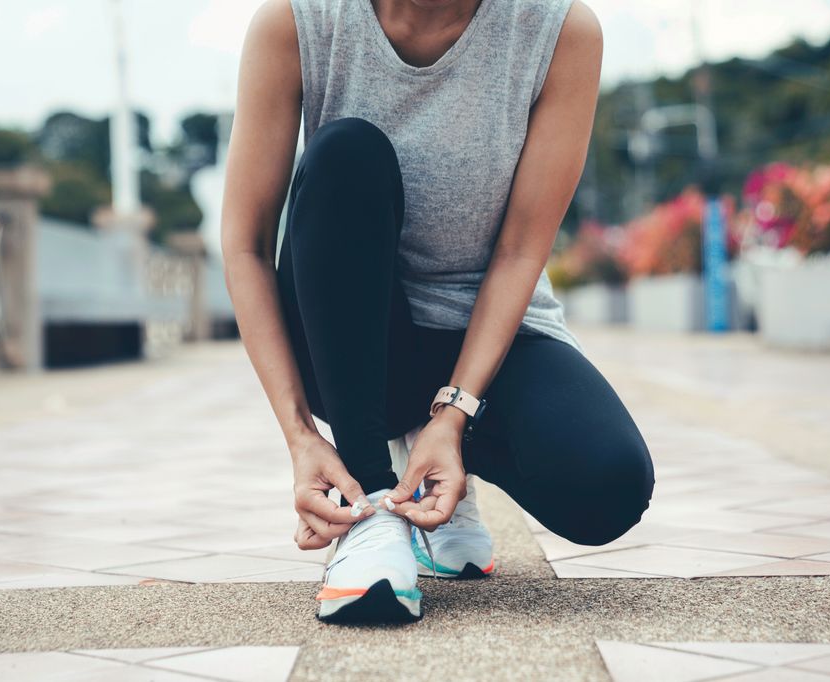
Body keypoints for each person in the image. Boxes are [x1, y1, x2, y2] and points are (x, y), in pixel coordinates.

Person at [220, 0, 655, 623]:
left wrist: (454, 416)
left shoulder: (559, 31)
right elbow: (244, 245)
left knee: (606, 486)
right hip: (350, 334)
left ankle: (431, 462)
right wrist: (300, 439)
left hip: (482, 334)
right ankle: (371, 504)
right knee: (346, 152)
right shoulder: (297, 21)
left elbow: (519, 251)